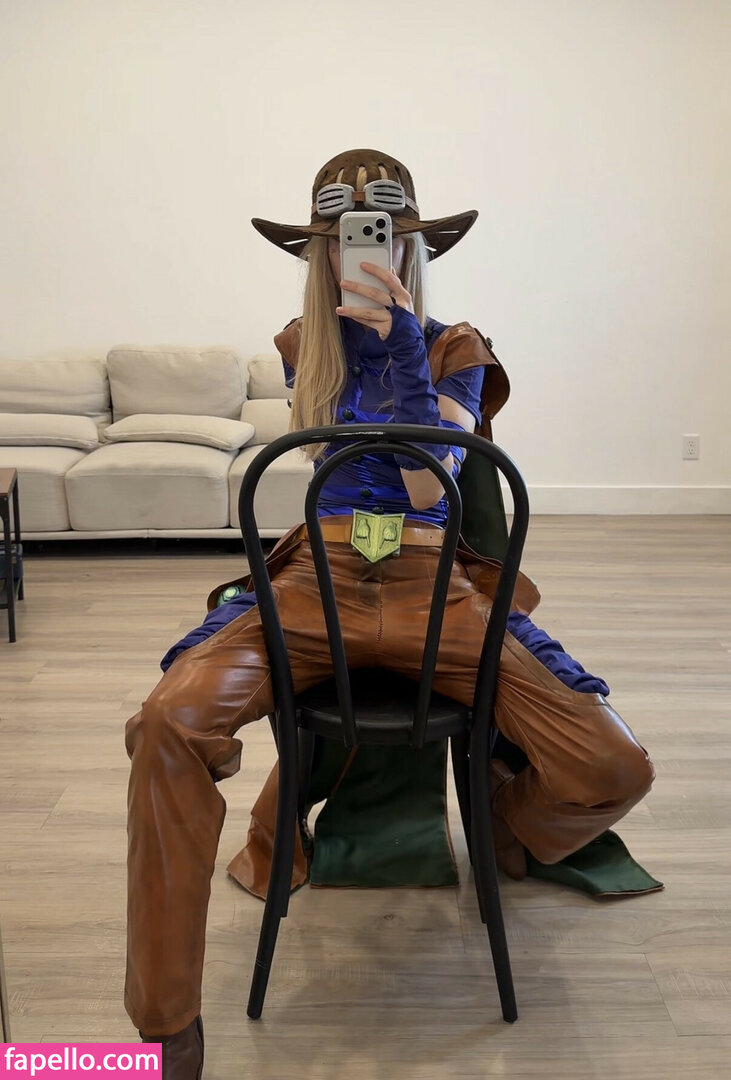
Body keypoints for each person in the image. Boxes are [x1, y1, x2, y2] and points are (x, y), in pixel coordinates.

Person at [124, 149, 655, 1079]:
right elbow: (318, 460)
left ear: (412, 247)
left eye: (381, 236)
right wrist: (354, 347)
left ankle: (507, 830)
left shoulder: (456, 347)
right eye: (341, 240)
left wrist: (404, 346)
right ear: (321, 252)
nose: (361, 252)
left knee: (612, 764)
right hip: (316, 577)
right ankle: (166, 1028)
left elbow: (421, 485)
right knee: (167, 722)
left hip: (428, 578)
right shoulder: (304, 341)